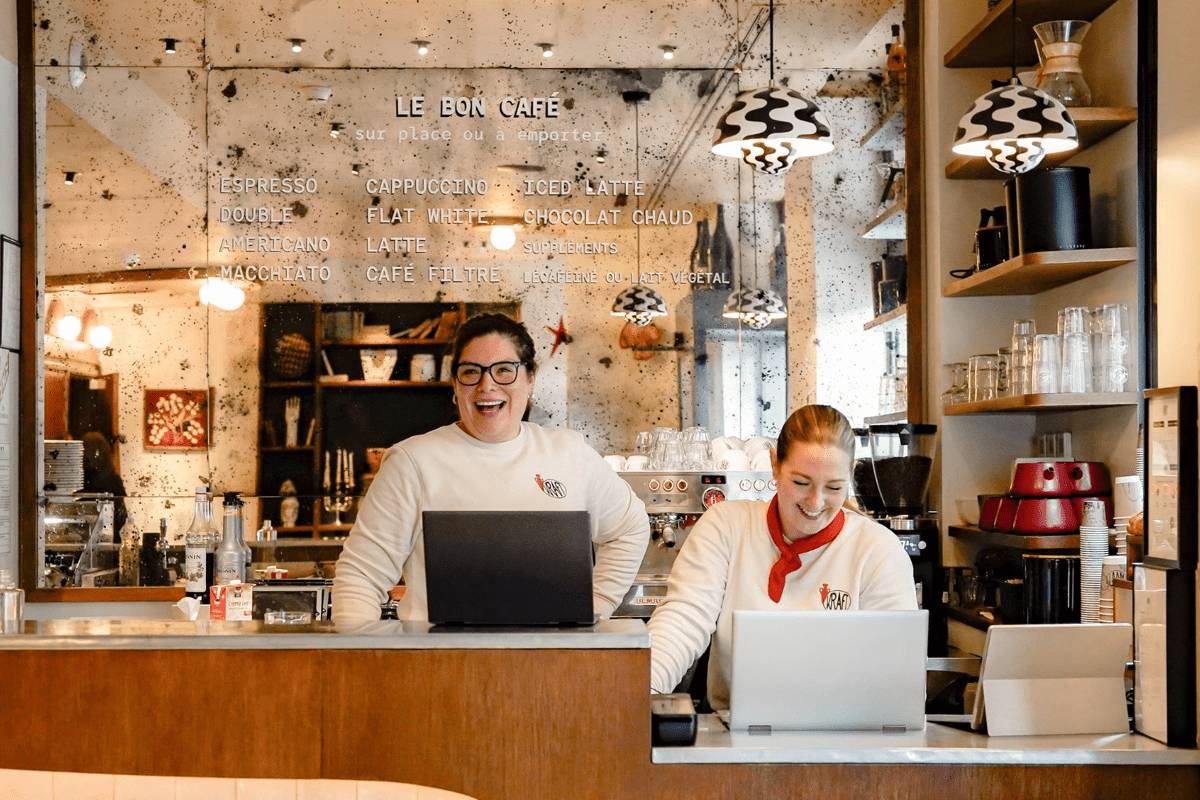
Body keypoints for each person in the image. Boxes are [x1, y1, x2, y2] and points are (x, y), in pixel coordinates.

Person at [333, 313, 650, 622]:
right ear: (456, 385)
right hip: (441, 665)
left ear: (529, 379)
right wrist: (364, 657)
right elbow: (360, 576)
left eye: (503, 370)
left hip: (552, 664)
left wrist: (597, 606)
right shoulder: (411, 461)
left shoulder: (569, 452)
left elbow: (631, 527)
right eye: (471, 372)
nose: (487, 385)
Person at [647, 404, 917, 710]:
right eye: (801, 483)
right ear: (775, 466)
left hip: (844, 736)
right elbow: (683, 618)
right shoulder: (727, 528)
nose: (815, 503)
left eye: (834, 487)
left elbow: (897, 674)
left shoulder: (877, 551)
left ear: (851, 476)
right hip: (734, 734)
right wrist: (642, 687)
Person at [81, 431, 128, 539]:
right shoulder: (113, 480)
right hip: (110, 539)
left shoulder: (78, 481)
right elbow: (121, 518)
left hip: (81, 540)